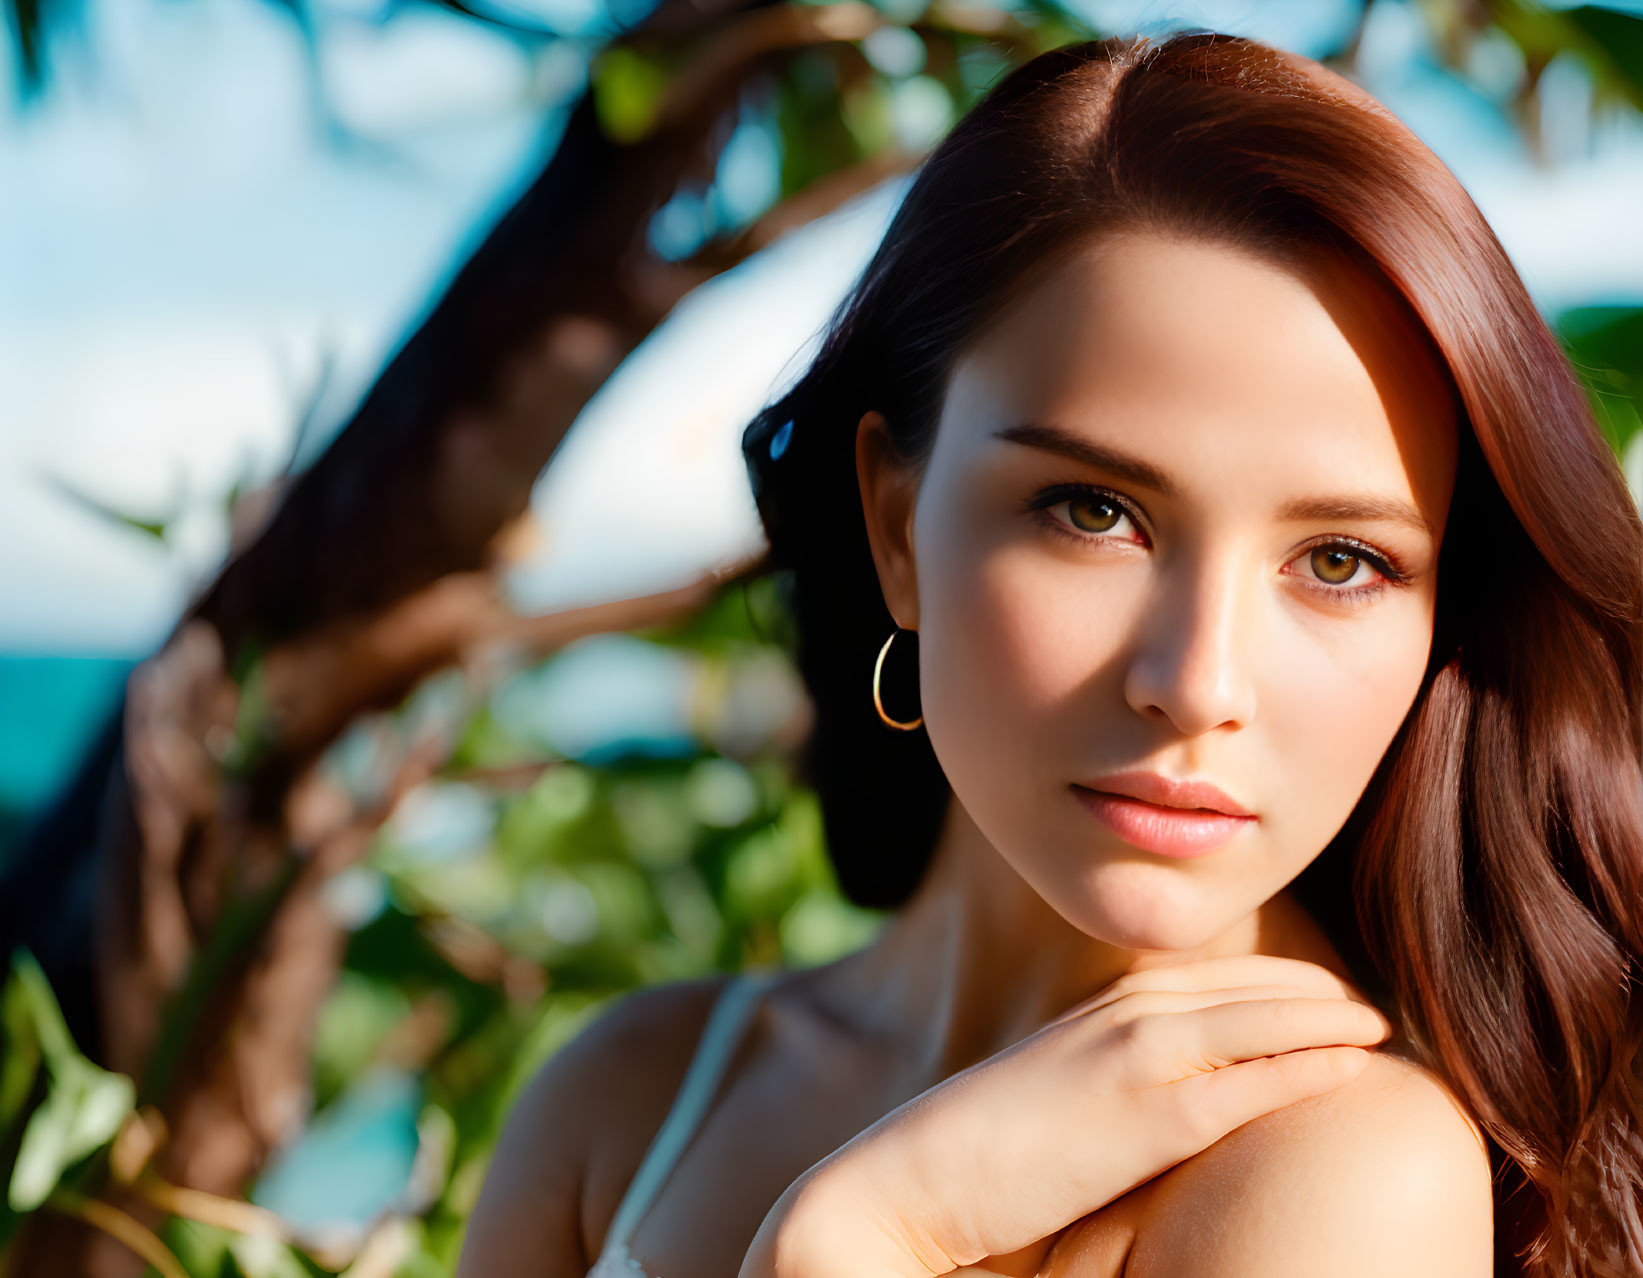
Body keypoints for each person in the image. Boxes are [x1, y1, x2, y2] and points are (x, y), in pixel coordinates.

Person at [455, 29, 1643, 1278]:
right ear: (896, 523)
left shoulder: (1342, 1174)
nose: (1194, 683)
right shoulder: (629, 1097)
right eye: (1094, 512)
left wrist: (857, 1244)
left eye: (1339, 561)